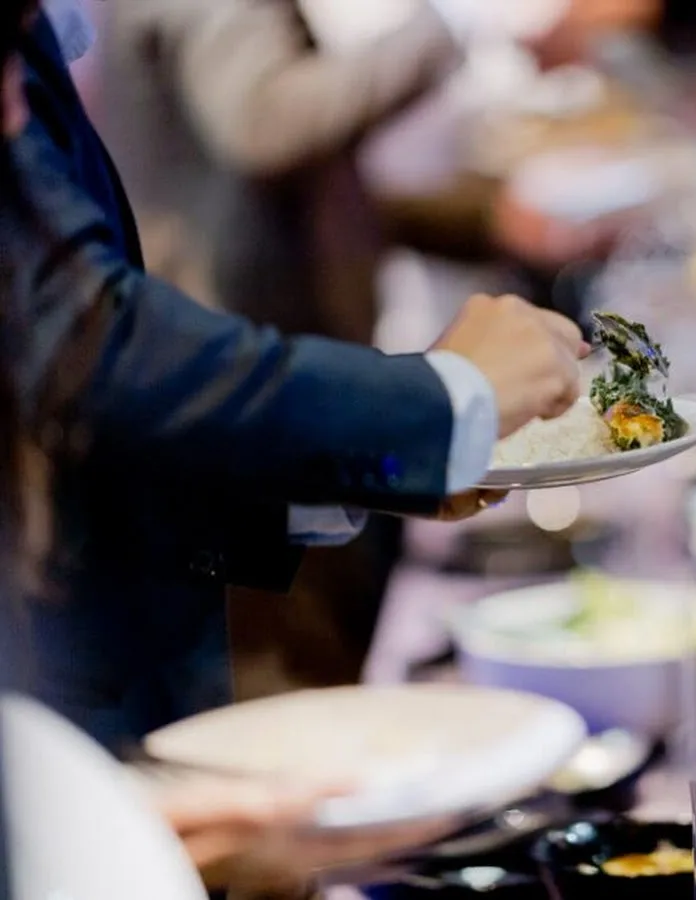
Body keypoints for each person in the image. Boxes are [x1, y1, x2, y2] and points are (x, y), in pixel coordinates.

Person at [2, 2, 588, 758]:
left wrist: (376, 453)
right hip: (71, 697)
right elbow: (88, 344)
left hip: (195, 496)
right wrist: (437, 403)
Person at [95, 0, 660, 693]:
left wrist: (484, 219)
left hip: (287, 402)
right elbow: (264, 124)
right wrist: (462, 19)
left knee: (340, 635)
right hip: (247, 405)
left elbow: (309, 188)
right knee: (287, 674)